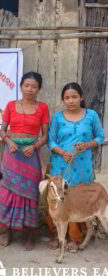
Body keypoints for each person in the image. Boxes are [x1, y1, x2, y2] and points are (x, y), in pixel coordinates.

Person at [47, 82, 104, 252]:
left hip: (82, 165)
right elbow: (51, 141)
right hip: (61, 164)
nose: (70, 100)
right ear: (63, 99)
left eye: (74, 97)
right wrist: (62, 152)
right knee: (59, 198)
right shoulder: (57, 117)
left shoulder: (91, 115)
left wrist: (87, 144)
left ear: (81, 97)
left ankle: (75, 237)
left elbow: (100, 137)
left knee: (78, 199)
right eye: (67, 98)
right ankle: (58, 237)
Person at [0, 72, 49, 250]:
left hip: (30, 156)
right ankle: (7, 231)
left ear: (39, 89)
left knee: (30, 194)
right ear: (21, 86)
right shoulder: (11, 105)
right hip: (12, 154)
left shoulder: (43, 107)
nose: (30, 89)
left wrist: (34, 147)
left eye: (34, 86)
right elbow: (2, 131)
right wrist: (10, 141)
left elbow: (45, 136)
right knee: (8, 193)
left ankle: (30, 235)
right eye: (27, 85)